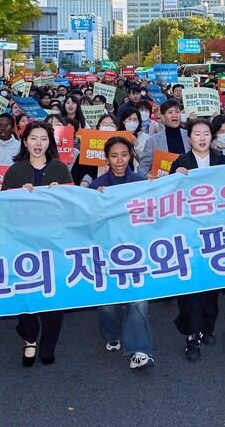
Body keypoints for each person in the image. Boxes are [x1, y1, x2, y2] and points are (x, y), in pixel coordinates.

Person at [2, 122, 72, 368]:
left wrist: (61, 195)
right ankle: (30, 338)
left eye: (44, 139)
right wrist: (18, 195)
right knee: (27, 296)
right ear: (24, 141)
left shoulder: (61, 169)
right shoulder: (15, 171)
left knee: (54, 297)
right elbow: (3, 210)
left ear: (50, 143)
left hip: (54, 246)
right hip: (24, 246)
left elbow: (72, 211)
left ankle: (48, 346)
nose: (38, 143)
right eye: (33, 138)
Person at [89, 136, 156, 370]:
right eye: (114, 156)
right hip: (106, 252)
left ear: (131, 156)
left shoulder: (141, 183)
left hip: (136, 251)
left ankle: (140, 350)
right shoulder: (96, 187)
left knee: (139, 301)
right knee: (108, 302)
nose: (119, 160)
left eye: (124, 155)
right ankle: (111, 333)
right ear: (106, 158)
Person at [170, 119, 225, 361]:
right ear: (190, 138)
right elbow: (169, 196)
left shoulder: (221, 161)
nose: (203, 138)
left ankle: (207, 327)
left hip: (216, 232)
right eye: (197, 134)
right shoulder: (181, 163)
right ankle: (190, 335)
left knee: (211, 286)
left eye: (207, 133)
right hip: (189, 234)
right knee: (191, 288)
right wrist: (174, 177)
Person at [138, 100, 189, 177]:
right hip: (164, 184)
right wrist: (146, 175)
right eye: (170, 112)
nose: (174, 115)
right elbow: (143, 166)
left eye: (177, 112)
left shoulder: (189, 136)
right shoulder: (152, 141)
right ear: (162, 116)